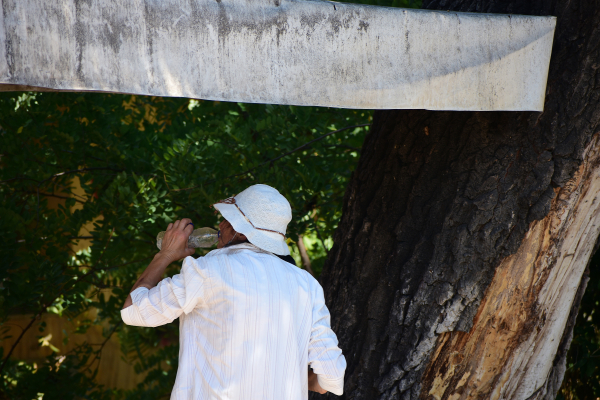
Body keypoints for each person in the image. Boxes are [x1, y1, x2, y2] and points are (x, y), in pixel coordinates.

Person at [121, 184, 346, 399]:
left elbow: (134, 311)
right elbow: (332, 377)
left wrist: (166, 255)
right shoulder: (306, 285)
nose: (219, 225)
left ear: (241, 232)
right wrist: (286, 375)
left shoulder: (209, 271)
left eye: (227, 219)